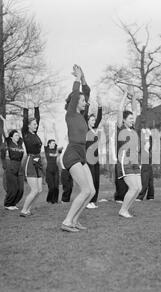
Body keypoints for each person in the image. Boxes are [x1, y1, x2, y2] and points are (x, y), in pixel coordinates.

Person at [61, 65, 95, 232]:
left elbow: (86, 91)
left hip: (81, 154)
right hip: (72, 153)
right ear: (75, 103)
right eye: (82, 101)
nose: (85, 102)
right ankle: (67, 222)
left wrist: (83, 77)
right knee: (85, 190)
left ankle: (74, 220)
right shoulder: (71, 114)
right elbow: (77, 94)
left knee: (91, 191)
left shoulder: (81, 115)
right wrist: (76, 78)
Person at [116, 86, 142, 218]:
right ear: (124, 120)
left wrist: (135, 98)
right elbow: (120, 109)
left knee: (139, 188)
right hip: (125, 161)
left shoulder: (133, 129)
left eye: (133, 118)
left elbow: (135, 111)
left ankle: (126, 209)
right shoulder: (121, 127)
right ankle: (123, 210)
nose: (132, 120)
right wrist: (126, 94)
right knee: (133, 187)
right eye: (130, 119)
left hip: (135, 160)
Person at [20, 104, 43, 217]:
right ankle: (23, 210)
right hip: (30, 161)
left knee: (39, 190)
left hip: (38, 162)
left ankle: (28, 209)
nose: (36, 125)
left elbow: (37, 118)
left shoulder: (35, 134)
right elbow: (25, 121)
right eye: (34, 124)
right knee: (34, 190)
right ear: (28, 126)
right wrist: (26, 109)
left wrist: (36, 107)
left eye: (36, 124)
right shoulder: (26, 134)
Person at [0, 114, 25, 211]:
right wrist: (4, 122)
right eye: (16, 135)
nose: (18, 136)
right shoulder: (9, 142)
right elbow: (6, 131)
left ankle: (14, 203)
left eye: (18, 135)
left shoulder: (20, 143)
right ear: (11, 137)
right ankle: (8, 204)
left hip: (19, 166)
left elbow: (22, 130)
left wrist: (20, 124)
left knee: (21, 189)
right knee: (13, 188)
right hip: (11, 166)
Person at [85, 96, 102, 209]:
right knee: (90, 180)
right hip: (88, 158)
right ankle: (88, 201)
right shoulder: (85, 130)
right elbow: (83, 116)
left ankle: (94, 201)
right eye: (92, 120)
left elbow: (99, 118)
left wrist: (100, 106)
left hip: (96, 158)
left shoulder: (94, 130)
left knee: (96, 180)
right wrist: (88, 104)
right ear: (87, 121)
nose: (94, 121)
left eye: (94, 120)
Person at [44, 126, 61, 204]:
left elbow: (57, 139)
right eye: (52, 143)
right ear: (49, 144)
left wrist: (55, 129)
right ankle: (49, 199)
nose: (54, 144)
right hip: (49, 170)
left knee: (56, 187)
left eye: (54, 143)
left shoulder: (55, 149)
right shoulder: (47, 149)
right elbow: (44, 139)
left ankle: (55, 200)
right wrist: (45, 130)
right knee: (51, 187)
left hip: (56, 170)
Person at [136, 129, 154, 202]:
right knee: (145, 177)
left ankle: (149, 196)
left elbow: (150, 147)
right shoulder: (140, 135)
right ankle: (144, 196)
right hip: (144, 158)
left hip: (148, 157)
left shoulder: (149, 136)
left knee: (149, 178)